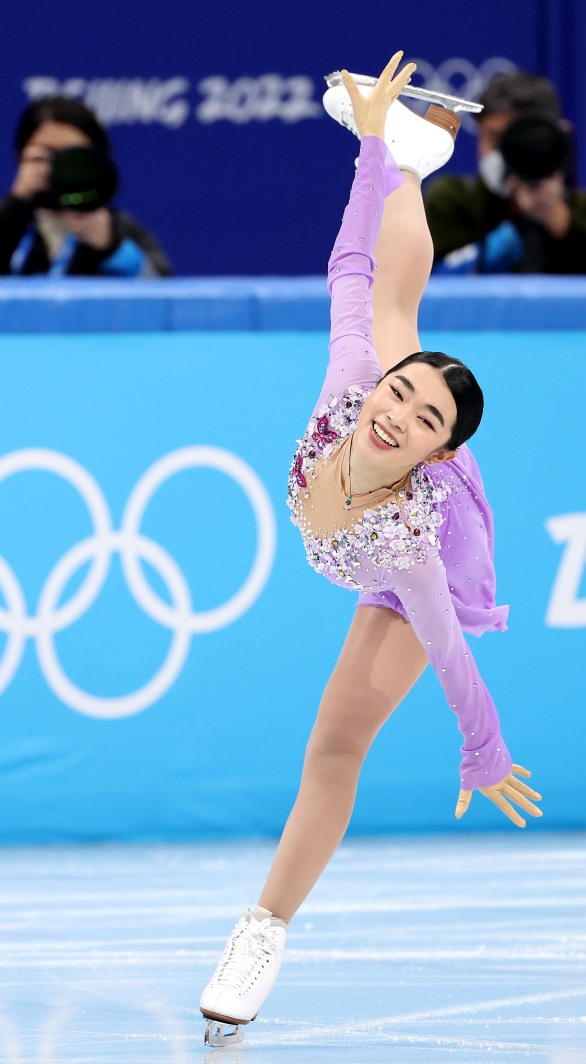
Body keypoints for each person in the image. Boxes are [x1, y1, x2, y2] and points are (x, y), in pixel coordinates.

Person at [199, 53, 542, 1046]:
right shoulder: (361, 379)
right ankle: (413, 159)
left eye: (423, 415)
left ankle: (261, 931)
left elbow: (450, 650)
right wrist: (369, 152)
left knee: (336, 745)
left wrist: (484, 750)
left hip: (412, 554)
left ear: (441, 449)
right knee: (390, 303)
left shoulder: (412, 547)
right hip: (370, 413)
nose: (398, 411)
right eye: (402, 396)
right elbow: (350, 266)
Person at [424, 70, 586, 275]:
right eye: (494, 139)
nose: (505, 152)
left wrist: (557, 219)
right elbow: (427, 284)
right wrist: (488, 250)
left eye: (516, 139)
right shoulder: (452, 201)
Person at [0, 96, 171, 277]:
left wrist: (111, 248)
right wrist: (15, 205)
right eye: (46, 154)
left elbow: (163, 296)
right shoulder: (8, 219)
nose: (58, 167)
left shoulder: (119, 229)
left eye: (73, 156)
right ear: (22, 155)